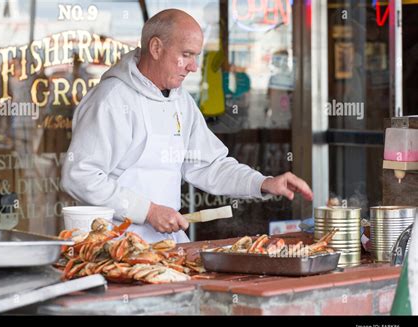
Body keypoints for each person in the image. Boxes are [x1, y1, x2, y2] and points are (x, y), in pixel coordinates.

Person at [62, 9, 313, 243]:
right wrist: (147, 211)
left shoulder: (181, 100)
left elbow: (209, 165)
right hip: (114, 245)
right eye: (186, 55)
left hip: (167, 246)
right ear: (156, 48)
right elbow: (80, 176)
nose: (193, 67)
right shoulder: (111, 99)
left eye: (195, 56)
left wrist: (262, 183)